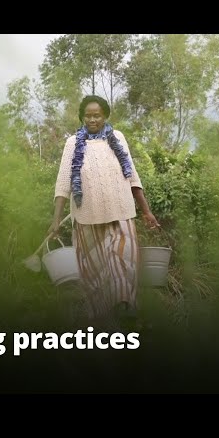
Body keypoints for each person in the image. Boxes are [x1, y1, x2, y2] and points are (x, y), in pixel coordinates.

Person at [48, 95, 160, 326]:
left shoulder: (117, 138)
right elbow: (63, 183)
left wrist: (146, 211)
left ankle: (124, 305)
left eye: (97, 115)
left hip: (120, 212)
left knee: (122, 259)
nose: (92, 119)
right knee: (94, 273)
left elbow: (133, 177)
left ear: (105, 115)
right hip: (87, 217)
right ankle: (104, 326)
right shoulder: (72, 143)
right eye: (87, 115)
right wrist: (56, 220)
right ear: (81, 117)